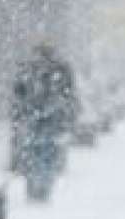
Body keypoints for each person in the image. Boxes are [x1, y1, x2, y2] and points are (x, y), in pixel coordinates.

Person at [10, 43, 78, 203]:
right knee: (47, 154)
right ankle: (43, 188)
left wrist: (20, 115)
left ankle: (34, 187)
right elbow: (68, 95)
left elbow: (17, 95)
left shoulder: (27, 69)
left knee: (33, 153)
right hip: (51, 120)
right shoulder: (60, 69)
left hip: (33, 119)